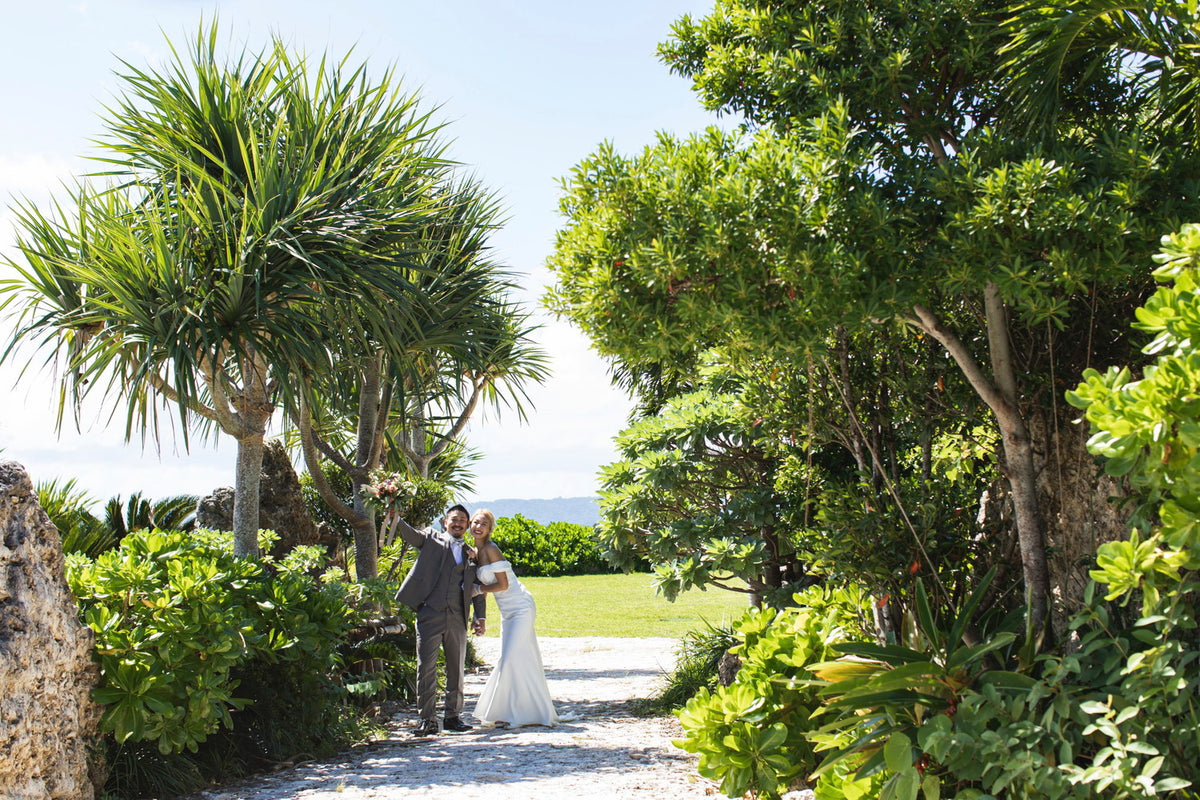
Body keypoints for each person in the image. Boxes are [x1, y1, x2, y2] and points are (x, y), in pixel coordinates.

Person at [394, 503, 487, 736]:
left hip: (457, 616)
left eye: (462, 520)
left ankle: (453, 717)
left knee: (456, 667)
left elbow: (478, 586)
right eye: (454, 519)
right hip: (430, 614)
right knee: (426, 667)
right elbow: (410, 535)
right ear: (445, 522)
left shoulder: (471, 552)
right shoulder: (430, 538)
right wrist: (393, 513)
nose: (458, 523)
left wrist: (480, 616)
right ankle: (427, 719)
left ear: (467, 525)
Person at [469, 509, 559, 728]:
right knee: (516, 658)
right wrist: (479, 617)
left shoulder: (491, 549)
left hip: (520, 607)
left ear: (489, 529)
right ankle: (513, 711)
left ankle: (516, 713)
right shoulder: (475, 552)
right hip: (507, 613)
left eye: (484, 524)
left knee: (509, 658)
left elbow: (502, 585)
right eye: (475, 522)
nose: (478, 527)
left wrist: (478, 589)